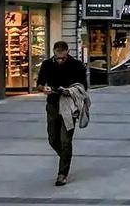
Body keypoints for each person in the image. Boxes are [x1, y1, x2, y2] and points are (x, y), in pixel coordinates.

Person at [36, 41, 88, 186]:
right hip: (52, 104)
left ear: (67, 52)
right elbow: (39, 83)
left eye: (62, 58)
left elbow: (83, 86)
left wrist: (68, 90)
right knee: (53, 139)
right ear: (54, 52)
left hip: (69, 106)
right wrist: (43, 88)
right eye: (57, 57)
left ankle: (62, 173)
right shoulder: (47, 64)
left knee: (66, 141)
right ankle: (65, 157)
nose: (59, 60)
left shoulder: (76, 65)